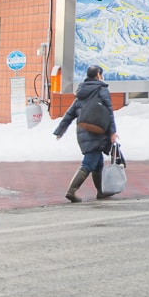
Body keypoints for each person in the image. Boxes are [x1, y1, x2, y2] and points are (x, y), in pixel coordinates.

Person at [53, 64, 118, 202]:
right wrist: (113, 132)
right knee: (89, 163)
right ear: (99, 75)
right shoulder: (101, 90)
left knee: (98, 162)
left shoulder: (82, 91)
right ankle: (72, 190)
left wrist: (60, 130)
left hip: (83, 131)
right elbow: (109, 112)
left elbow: (70, 113)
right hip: (97, 132)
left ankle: (101, 191)